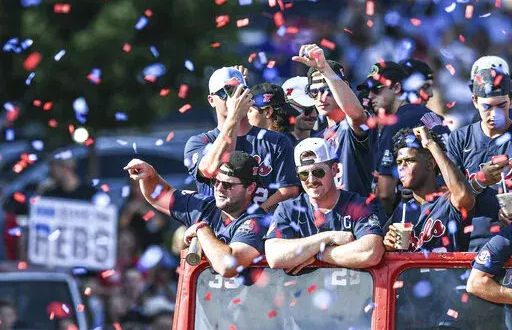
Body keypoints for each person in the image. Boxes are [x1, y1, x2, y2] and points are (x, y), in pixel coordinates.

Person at [124, 151, 268, 278]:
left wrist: (201, 229)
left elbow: (227, 266)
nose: (219, 189)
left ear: (250, 188)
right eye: (215, 182)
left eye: (227, 185)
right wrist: (148, 174)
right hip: (204, 305)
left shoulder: (257, 222)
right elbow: (160, 196)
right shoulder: (205, 206)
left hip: (242, 306)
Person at [184, 66, 300, 212]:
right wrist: (234, 117)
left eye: (238, 91)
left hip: (264, 229)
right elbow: (211, 168)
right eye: (224, 92)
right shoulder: (199, 142)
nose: (232, 98)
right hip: (218, 230)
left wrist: (254, 216)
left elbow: (289, 190)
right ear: (211, 100)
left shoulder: (276, 141)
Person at [265, 138, 384, 273]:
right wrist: (328, 238)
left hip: (352, 291)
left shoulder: (359, 205)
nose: (311, 180)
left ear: (334, 169)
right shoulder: (287, 209)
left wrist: (316, 254)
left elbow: (371, 252)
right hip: (302, 292)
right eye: (304, 174)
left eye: (318, 172)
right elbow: (274, 256)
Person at [358, 61, 451, 215]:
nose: (370, 96)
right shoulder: (436, 117)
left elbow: (385, 194)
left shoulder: (396, 123)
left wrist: (384, 225)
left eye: (376, 90)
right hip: (450, 204)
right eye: (368, 90)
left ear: (396, 88)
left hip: (422, 211)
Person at [293, 43, 378, 197]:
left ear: (344, 86)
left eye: (327, 90)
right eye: (314, 92)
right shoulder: (317, 138)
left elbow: (356, 115)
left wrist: (325, 68)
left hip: (359, 217)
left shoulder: (352, 125)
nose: (321, 97)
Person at [447, 66, 512, 252]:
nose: (495, 114)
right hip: (466, 243)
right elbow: (448, 194)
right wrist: (481, 180)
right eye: (487, 106)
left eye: (502, 105)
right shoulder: (459, 139)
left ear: (511, 101)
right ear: (475, 101)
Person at [383, 127, 475, 252]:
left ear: (430, 164)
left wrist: (430, 144)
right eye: (399, 162)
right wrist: (387, 246)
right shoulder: (402, 210)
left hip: (451, 271)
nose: (402, 167)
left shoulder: (448, 202)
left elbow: (464, 195)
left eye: (410, 160)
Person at [281, 76, 318, 146]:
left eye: (315, 108)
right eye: (306, 109)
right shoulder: (275, 145)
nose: (314, 115)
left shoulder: (324, 139)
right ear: (286, 108)